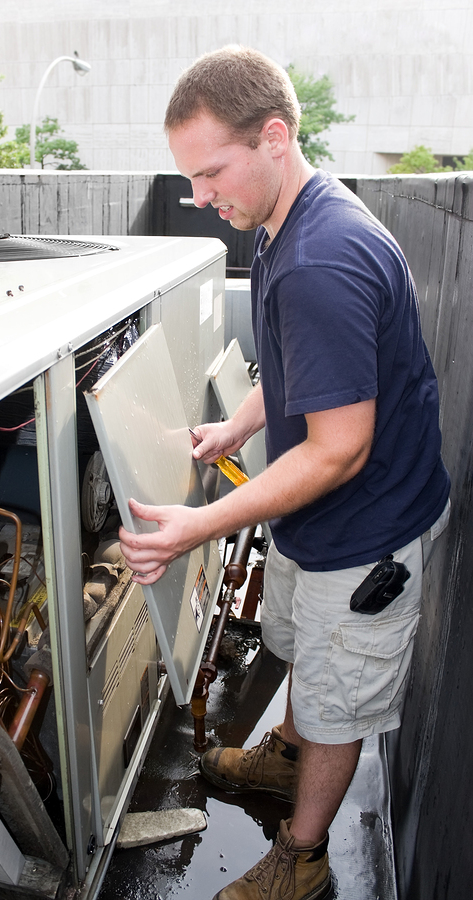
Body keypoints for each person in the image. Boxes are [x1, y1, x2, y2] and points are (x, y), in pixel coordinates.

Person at [119, 46, 450, 900]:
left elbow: (338, 448)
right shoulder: (279, 224)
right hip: (323, 521)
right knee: (304, 647)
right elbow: (297, 366)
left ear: (273, 136)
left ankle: (300, 859)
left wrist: (200, 523)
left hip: (367, 531)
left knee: (341, 697)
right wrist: (235, 423)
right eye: (188, 177)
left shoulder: (319, 258)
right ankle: (285, 759)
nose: (199, 197)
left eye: (210, 172)